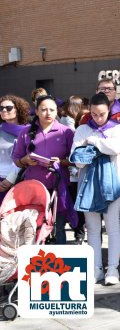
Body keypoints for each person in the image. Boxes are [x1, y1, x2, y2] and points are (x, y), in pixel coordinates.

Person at [81, 78, 120, 268]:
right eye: (102, 88)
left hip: (119, 170)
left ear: (115, 92)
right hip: (92, 176)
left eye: (110, 88)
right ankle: (97, 266)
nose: (106, 91)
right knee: (94, 224)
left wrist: (112, 162)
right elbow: (79, 152)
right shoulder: (84, 121)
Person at [70, 93, 120, 285]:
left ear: (108, 110)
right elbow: (76, 160)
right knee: (93, 229)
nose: (98, 118)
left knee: (112, 227)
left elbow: (115, 149)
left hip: (112, 183)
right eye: (93, 114)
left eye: (101, 114)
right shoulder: (82, 129)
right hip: (88, 184)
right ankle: (96, 269)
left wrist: (92, 143)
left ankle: (113, 269)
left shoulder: (118, 127)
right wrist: (96, 148)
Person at [12, 95, 76, 244]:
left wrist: (62, 162)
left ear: (57, 112)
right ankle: (33, 262)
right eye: (44, 109)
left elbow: (75, 160)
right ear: (37, 111)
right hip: (33, 189)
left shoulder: (66, 132)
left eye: (52, 109)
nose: (48, 113)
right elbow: (16, 159)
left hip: (58, 186)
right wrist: (25, 160)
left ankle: (60, 263)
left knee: (59, 227)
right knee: (33, 227)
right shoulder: (26, 132)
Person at [60, 95, 86, 245]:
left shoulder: (83, 130)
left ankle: (80, 232)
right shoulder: (68, 129)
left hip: (81, 174)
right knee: (73, 204)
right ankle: (78, 232)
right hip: (70, 173)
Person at [0, 95, 30, 203]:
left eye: (8, 108)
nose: (4, 110)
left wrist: (10, 179)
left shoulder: (28, 131)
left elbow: (25, 157)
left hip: (16, 180)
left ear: (17, 110)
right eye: (1, 108)